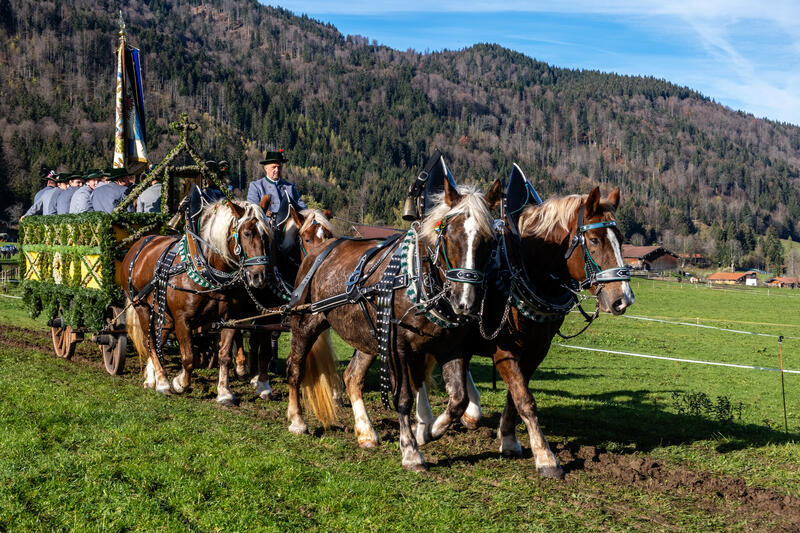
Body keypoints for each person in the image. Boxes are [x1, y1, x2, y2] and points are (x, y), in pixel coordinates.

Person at [247, 150, 306, 216]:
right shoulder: (255, 186)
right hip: (265, 224)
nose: (277, 170)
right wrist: (268, 220)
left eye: (279, 167)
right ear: (265, 168)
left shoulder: (290, 187)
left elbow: (302, 208)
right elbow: (253, 210)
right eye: (274, 167)